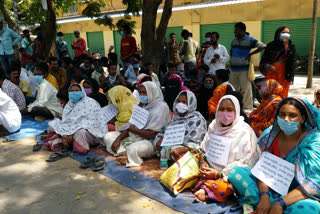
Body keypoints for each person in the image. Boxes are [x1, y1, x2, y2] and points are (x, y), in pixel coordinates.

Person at [229, 97, 320, 214]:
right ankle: (265, 205)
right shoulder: (271, 135)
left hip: (298, 194)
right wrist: (264, 196)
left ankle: (262, 206)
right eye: (282, 115)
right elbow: (263, 169)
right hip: (270, 188)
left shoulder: (313, 142)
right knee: (236, 172)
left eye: (292, 115)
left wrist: (280, 203)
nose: (286, 119)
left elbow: (313, 183)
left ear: (302, 119)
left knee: (309, 209)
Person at [193, 95, 260, 203]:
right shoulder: (214, 126)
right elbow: (204, 148)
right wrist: (202, 161)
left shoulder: (244, 131)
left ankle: (208, 190)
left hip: (228, 175)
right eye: (221, 109)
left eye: (230, 110)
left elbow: (247, 163)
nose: (225, 113)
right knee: (189, 163)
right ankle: (208, 188)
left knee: (233, 184)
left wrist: (219, 173)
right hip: (208, 170)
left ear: (237, 111)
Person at [103, 81, 171, 167]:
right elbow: (130, 125)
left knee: (133, 149)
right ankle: (123, 154)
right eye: (140, 92)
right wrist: (118, 139)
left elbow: (152, 134)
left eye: (144, 93)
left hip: (150, 142)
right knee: (108, 136)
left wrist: (134, 129)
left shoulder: (161, 107)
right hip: (134, 136)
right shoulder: (141, 105)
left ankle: (127, 156)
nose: (142, 95)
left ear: (151, 92)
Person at [45, 84, 108, 154]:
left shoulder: (90, 103)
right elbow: (66, 122)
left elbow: (88, 123)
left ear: (82, 92)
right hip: (71, 130)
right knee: (54, 124)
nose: (74, 93)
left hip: (91, 132)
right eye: (71, 91)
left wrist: (71, 133)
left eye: (77, 91)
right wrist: (65, 134)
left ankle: (75, 145)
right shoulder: (69, 104)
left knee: (81, 133)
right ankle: (66, 141)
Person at [154, 91, 207, 161]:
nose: (180, 104)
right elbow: (165, 132)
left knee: (175, 150)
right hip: (173, 146)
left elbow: (196, 143)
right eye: (178, 101)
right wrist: (162, 139)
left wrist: (185, 148)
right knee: (158, 144)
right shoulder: (175, 118)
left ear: (191, 104)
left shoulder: (197, 119)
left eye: (184, 102)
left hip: (188, 150)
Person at [229, 22, 265, 112]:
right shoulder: (233, 40)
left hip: (244, 69)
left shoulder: (250, 40)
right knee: (233, 88)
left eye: (236, 30)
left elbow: (263, 46)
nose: (234, 32)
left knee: (245, 89)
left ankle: (247, 109)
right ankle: (234, 106)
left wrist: (250, 54)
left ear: (242, 30)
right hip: (233, 69)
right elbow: (231, 50)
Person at [260, 26, 296, 98]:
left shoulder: (291, 45)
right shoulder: (271, 45)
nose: (286, 34)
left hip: (284, 72)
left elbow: (292, 59)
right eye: (284, 33)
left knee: (282, 92)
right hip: (272, 71)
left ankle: (280, 107)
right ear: (278, 34)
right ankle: (270, 107)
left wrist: (286, 46)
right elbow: (264, 59)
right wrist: (268, 66)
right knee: (270, 91)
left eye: (288, 33)